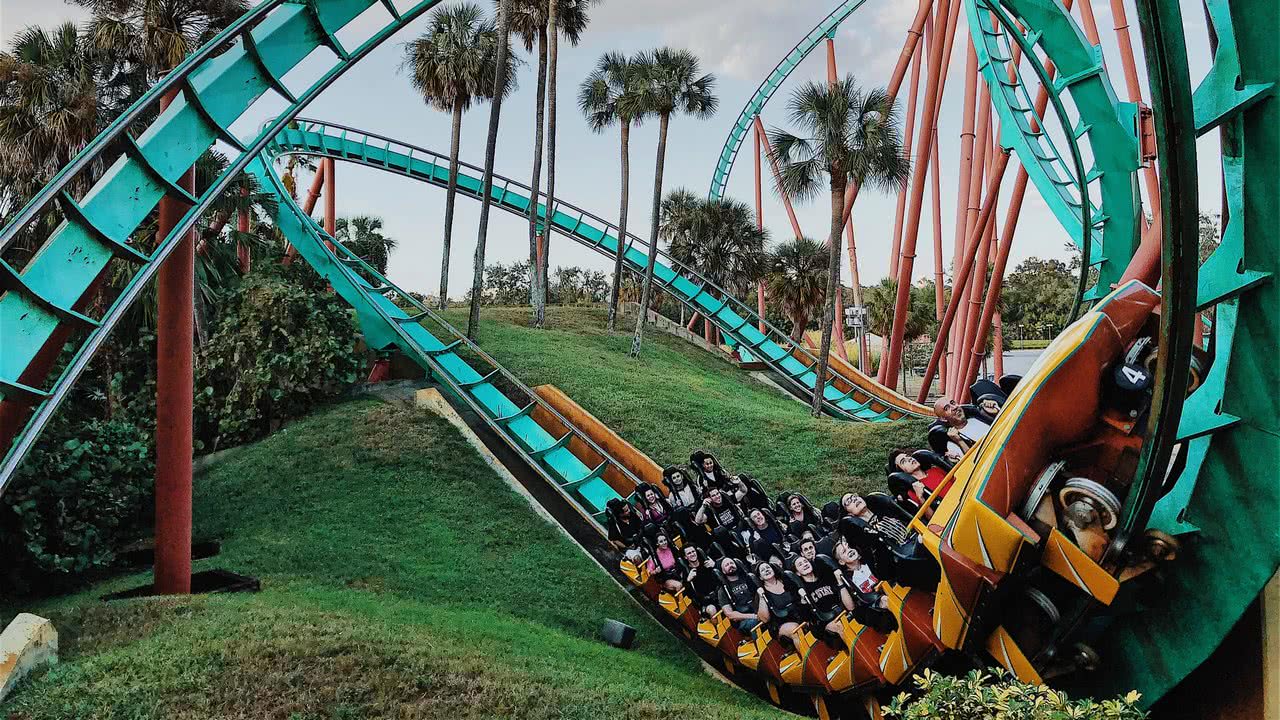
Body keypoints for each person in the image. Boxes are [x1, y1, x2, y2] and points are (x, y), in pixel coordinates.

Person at [793, 555, 854, 642]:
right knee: (840, 626)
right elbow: (806, 618)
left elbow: (849, 605)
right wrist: (803, 599)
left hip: (842, 612)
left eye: (806, 561)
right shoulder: (802, 591)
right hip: (825, 623)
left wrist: (839, 581)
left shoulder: (825, 578)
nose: (805, 564)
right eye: (800, 564)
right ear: (798, 573)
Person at [929, 397, 992, 462]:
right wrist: (959, 441)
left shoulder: (977, 416)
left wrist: (993, 411)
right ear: (943, 419)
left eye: (953, 403)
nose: (954, 408)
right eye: (947, 408)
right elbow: (972, 462)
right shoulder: (953, 442)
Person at [754, 561, 803, 643]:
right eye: (763, 570)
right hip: (780, 625)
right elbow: (764, 619)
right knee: (796, 630)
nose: (766, 570)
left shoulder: (786, 581)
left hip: (798, 615)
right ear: (760, 577)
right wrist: (762, 597)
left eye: (768, 567)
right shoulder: (761, 593)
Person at [695, 487, 749, 554]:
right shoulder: (709, 511)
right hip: (728, 537)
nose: (717, 496)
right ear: (710, 499)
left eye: (717, 493)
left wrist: (739, 482)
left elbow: (743, 491)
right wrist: (703, 506)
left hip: (741, 528)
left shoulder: (728, 500)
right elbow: (698, 521)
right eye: (713, 495)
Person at [841, 493, 910, 546]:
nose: (854, 499)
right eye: (849, 501)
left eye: (854, 496)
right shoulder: (862, 533)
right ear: (849, 514)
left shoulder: (883, 506)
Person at [716, 558, 761, 632]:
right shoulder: (723, 590)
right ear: (723, 571)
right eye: (727, 565)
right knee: (754, 622)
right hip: (745, 618)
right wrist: (754, 616)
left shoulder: (748, 578)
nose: (730, 565)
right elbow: (730, 614)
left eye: (732, 563)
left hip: (759, 609)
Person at [683, 545, 722, 617]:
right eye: (689, 553)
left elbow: (722, 575)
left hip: (719, 593)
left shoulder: (706, 562)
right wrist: (688, 581)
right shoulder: (688, 573)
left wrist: (715, 565)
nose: (692, 554)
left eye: (693, 551)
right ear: (685, 557)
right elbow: (689, 594)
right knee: (711, 610)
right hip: (706, 601)